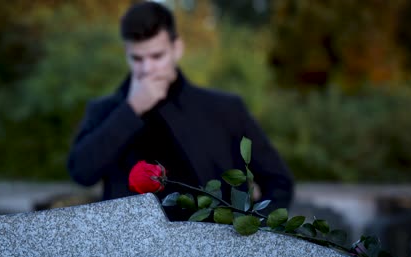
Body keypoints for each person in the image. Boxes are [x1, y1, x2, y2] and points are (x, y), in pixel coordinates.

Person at [67, 2, 293, 220]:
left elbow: (279, 184)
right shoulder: (105, 110)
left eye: (157, 56)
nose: (147, 69)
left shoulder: (226, 109)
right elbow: (82, 172)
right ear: (126, 52)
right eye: (137, 58)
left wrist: (246, 236)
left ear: (177, 48)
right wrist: (131, 109)